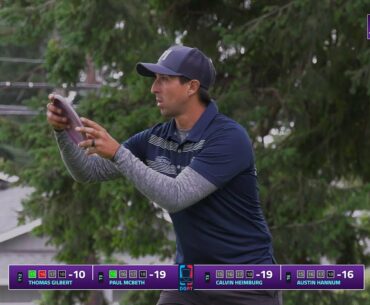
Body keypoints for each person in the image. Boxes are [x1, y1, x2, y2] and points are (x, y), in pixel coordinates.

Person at [46, 45, 282, 305]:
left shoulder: (229, 138)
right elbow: (88, 171)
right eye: (155, 80)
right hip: (188, 281)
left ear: (191, 87)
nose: (154, 88)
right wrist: (63, 132)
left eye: (164, 80)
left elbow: (176, 195)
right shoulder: (156, 137)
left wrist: (117, 153)